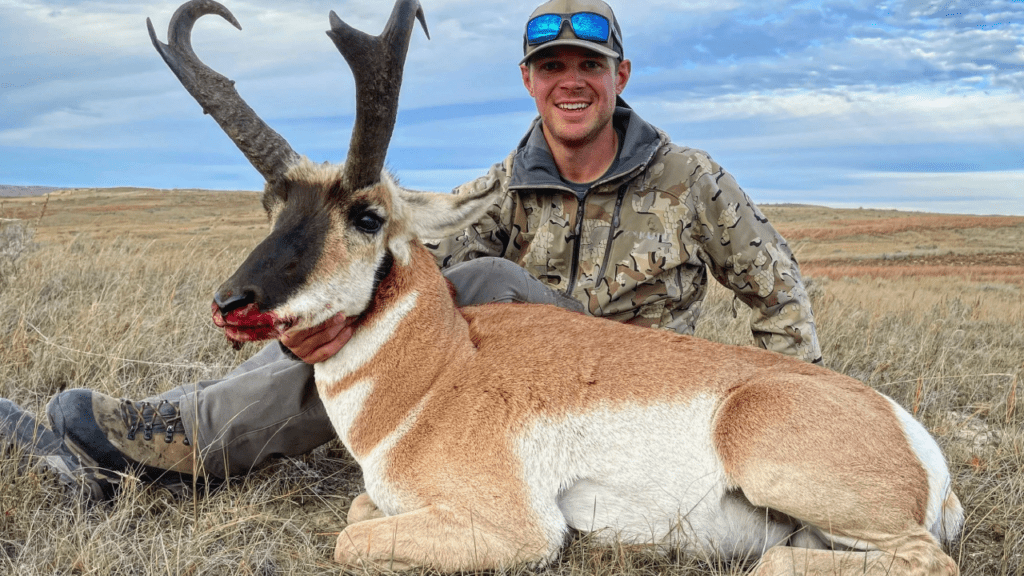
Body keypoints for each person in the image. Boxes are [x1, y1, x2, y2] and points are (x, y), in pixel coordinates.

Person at [1, 0, 822, 500]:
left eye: (589, 66)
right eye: (552, 67)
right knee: (403, 304)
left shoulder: (690, 178)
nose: (572, 80)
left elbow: (778, 290)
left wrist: (805, 410)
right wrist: (304, 324)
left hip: (639, 390)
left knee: (489, 278)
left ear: (621, 75)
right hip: (516, 390)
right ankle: (179, 432)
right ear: (531, 82)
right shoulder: (502, 185)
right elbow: (394, 280)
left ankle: (180, 434)